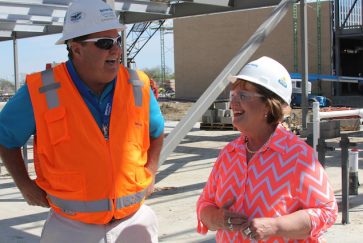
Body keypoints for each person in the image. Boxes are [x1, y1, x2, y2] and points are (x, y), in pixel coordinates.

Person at [0, 0, 164, 242]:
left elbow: (156, 131)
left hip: (134, 221)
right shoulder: (41, 90)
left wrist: (150, 171)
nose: (116, 50)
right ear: (76, 49)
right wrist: (25, 185)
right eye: (105, 43)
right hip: (70, 227)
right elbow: (5, 137)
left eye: (117, 41)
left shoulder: (138, 84)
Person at [196, 56, 337, 242]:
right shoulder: (229, 154)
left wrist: (276, 227)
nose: (233, 104)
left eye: (243, 96)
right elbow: (204, 204)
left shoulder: (297, 156)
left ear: (268, 105)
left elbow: (326, 212)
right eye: (233, 95)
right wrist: (217, 219)